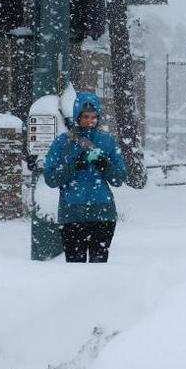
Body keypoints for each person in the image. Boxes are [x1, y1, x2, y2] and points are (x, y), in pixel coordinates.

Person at [44, 91, 128, 262]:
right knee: (75, 268)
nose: (90, 121)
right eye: (85, 117)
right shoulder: (63, 142)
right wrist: (74, 166)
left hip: (102, 213)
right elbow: (50, 178)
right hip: (72, 214)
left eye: (93, 117)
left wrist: (105, 165)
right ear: (77, 116)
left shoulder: (107, 141)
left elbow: (119, 178)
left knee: (99, 267)